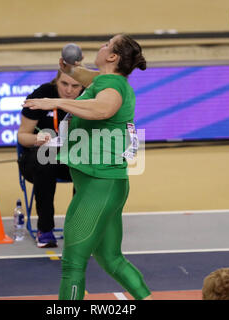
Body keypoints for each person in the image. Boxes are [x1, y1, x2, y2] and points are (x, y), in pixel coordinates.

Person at [23, 34, 152, 300]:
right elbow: (87, 78)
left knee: (72, 264)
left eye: (107, 44)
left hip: (99, 186)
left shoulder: (113, 90)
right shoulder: (107, 80)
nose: (101, 46)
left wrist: (57, 101)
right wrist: (69, 69)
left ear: (112, 57)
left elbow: (102, 109)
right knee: (111, 259)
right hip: (102, 185)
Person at [17, 71, 83, 248]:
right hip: (37, 158)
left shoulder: (88, 97)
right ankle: (44, 229)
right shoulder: (41, 94)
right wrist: (39, 139)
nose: (69, 90)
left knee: (86, 163)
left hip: (71, 157)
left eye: (75, 86)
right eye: (64, 84)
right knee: (46, 161)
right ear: (56, 80)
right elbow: (23, 136)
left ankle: (80, 229)